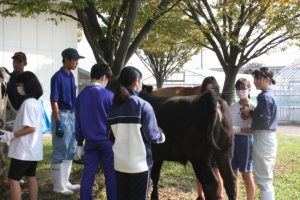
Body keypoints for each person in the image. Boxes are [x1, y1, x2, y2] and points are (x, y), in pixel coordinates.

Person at [107, 66, 165, 200]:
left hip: (120, 163)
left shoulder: (113, 107)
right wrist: (162, 136)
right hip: (140, 165)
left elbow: (110, 135)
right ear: (136, 82)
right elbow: (152, 135)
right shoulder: (144, 106)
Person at [75, 63, 116, 200]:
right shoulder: (109, 96)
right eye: (107, 79)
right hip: (107, 142)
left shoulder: (81, 96)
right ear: (104, 77)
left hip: (90, 142)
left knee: (88, 174)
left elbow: (78, 122)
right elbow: (115, 122)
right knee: (110, 175)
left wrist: (79, 143)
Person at [0, 71, 43, 200]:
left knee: (13, 179)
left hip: (23, 151)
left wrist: (10, 135)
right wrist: (12, 126)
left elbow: (30, 128)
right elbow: (27, 125)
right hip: (32, 150)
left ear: (26, 85)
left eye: (19, 84)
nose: (18, 87)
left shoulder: (28, 104)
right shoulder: (34, 102)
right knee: (31, 178)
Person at [50, 48, 84, 195]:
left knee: (70, 150)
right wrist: (58, 121)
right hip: (62, 115)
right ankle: (58, 185)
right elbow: (54, 100)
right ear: (67, 59)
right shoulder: (57, 77)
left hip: (72, 114)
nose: (77, 63)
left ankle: (65, 182)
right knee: (60, 149)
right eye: (75, 60)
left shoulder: (71, 76)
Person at [241, 67, 278, 200]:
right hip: (264, 137)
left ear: (267, 79)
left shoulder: (265, 97)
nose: (255, 81)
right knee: (264, 177)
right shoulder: (267, 95)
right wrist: (253, 113)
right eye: (254, 78)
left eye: (258, 78)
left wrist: (249, 113)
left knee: (263, 179)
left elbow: (264, 121)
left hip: (264, 136)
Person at [196, 76, 224, 200]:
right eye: (207, 89)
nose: (210, 92)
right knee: (199, 172)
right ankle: (200, 196)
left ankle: (219, 196)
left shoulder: (222, 104)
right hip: (201, 143)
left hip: (216, 143)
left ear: (217, 89)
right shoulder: (198, 104)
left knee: (216, 171)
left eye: (213, 89)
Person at [229, 78, 255, 200]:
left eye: (243, 88)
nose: (240, 91)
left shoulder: (254, 107)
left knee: (246, 173)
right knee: (233, 174)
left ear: (249, 89)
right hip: (232, 142)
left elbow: (254, 130)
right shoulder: (232, 107)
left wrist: (237, 130)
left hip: (246, 141)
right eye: (238, 88)